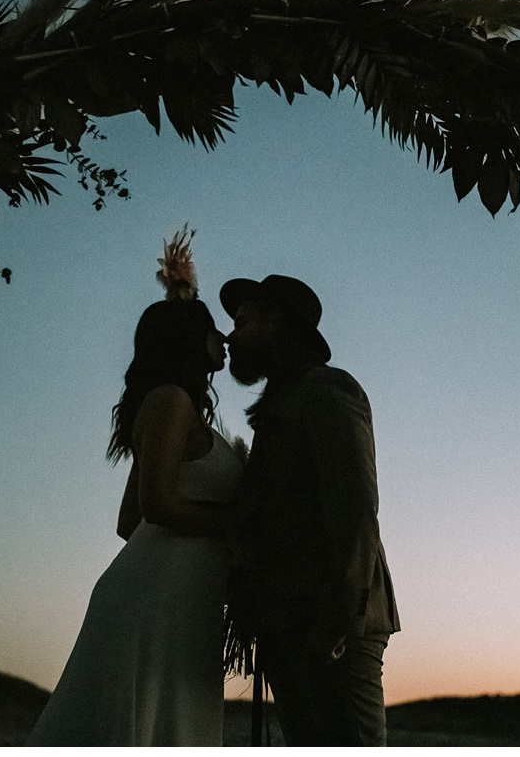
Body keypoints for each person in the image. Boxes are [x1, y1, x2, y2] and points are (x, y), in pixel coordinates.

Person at [28, 230, 243, 746]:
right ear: (190, 341)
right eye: (215, 331)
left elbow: (129, 521)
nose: (226, 340)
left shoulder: (174, 405)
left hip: (176, 594)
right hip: (160, 597)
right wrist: (238, 526)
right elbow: (155, 505)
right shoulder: (171, 400)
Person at [222, 274, 399, 746]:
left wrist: (335, 625)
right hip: (290, 624)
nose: (229, 334)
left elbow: (358, 513)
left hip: (330, 628)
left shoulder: (327, 390)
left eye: (241, 321)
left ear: (276, 322)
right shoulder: (283, 405)